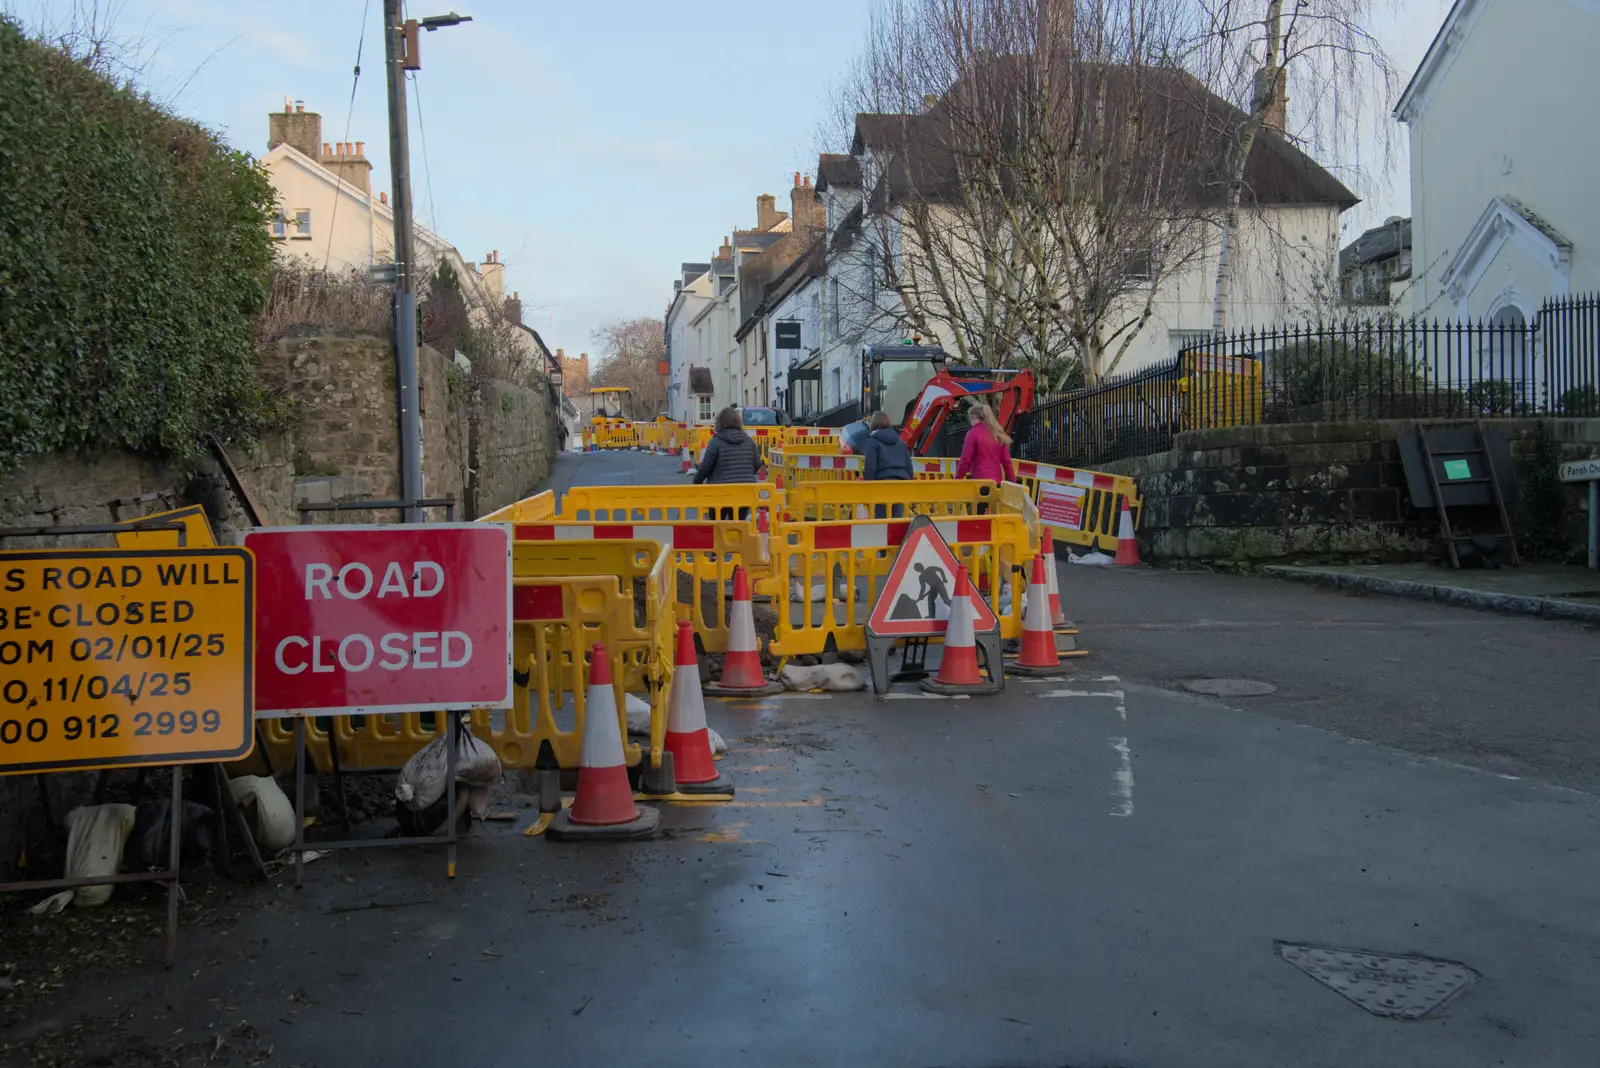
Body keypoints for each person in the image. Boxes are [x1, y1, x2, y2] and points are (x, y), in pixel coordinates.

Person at [694, 406, 762, 486]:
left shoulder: (715, 442)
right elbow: (757, 464)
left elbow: (704, 468)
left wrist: (696, 483)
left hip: (721, 491)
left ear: (720, 422)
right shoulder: (750, 442)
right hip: (747, 490)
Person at [863, 411, 913, 519]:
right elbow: (909, 468)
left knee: (882, 524)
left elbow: (870, 468)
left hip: (883, 486)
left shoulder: (872, 442)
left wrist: (867, 489)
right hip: (902, 486)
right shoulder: (900, 442)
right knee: (898, 523)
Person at [956, 400, 1016, 485]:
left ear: (974, 417)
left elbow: (965, 461)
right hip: (996, 483)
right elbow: (1007, 462)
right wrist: (1013, 482)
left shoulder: (972, 434)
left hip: (979, 482)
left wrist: (957, 479)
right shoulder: (997, 434)